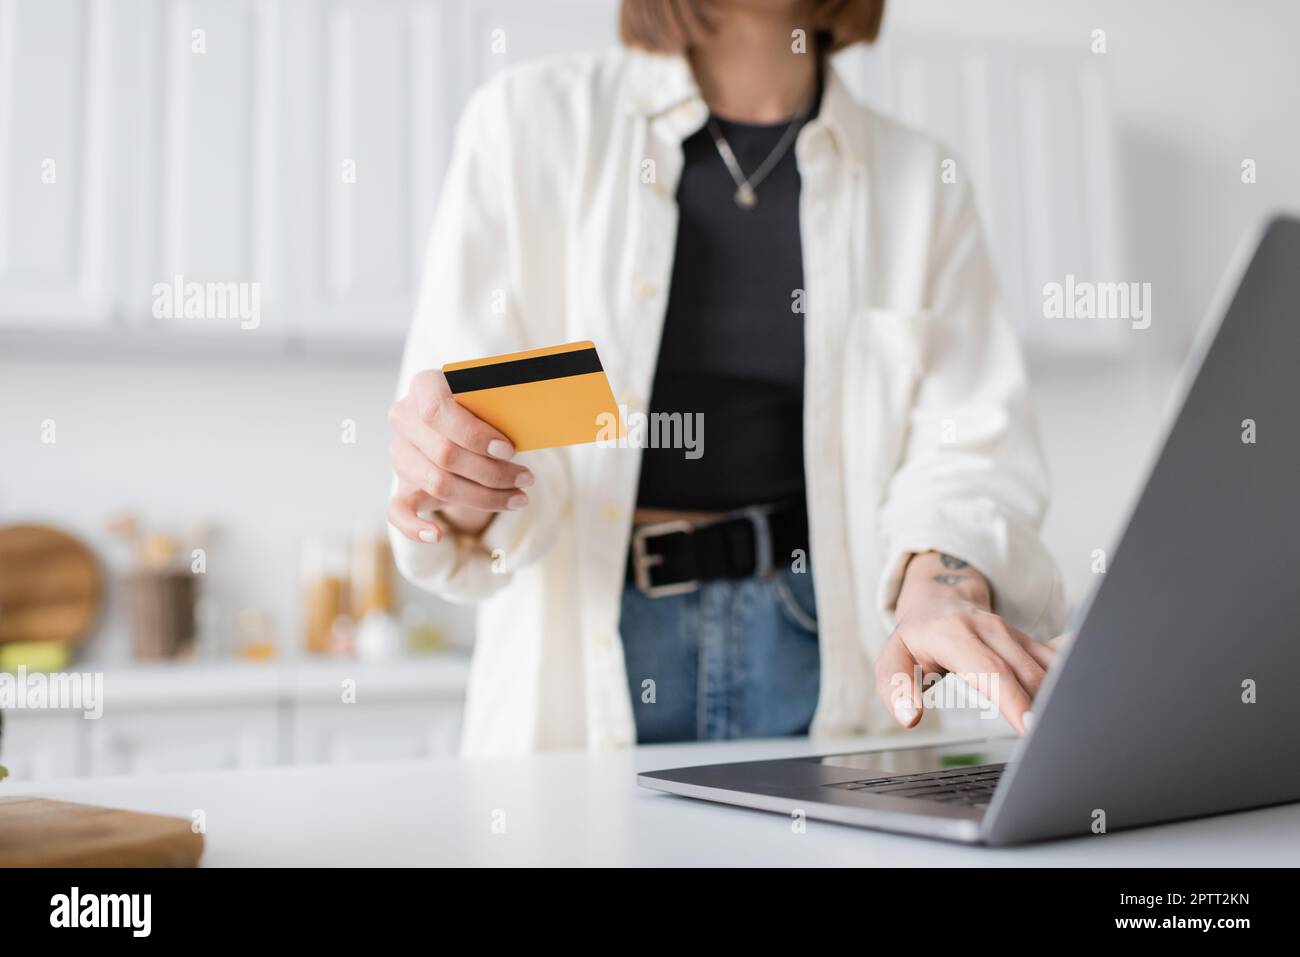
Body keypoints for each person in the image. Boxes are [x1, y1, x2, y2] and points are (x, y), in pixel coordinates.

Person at [386, 0, 1065, 755]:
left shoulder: (919, 183)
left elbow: (970, 446)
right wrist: (461, 482)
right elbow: (470, 439)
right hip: (588, 658)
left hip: (825, 644)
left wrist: (942, 578)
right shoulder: (526, 125)